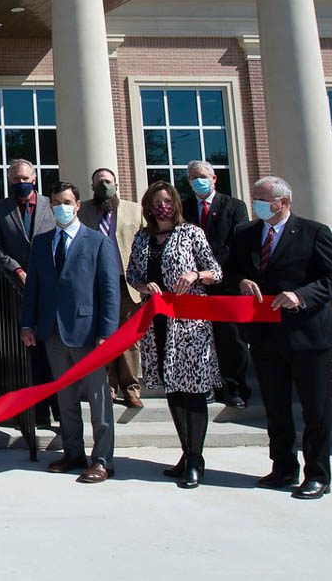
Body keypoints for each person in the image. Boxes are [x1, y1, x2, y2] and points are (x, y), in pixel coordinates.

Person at [228, 176, 332, 500]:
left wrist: (301, 296)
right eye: (255, 198)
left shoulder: (313, 232)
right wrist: (241, 282)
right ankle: (283, 468)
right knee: (276, 408)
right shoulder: (245, 234)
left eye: (263, 199)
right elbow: (231, 269)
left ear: (283, 202)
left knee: (314, 410)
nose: (257, 204)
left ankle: (317, 474)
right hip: (265, 336)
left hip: (308, 336)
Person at [125, 181, 223, 488]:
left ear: (176, 204)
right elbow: (132, 273)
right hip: (158, 324)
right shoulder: (143, 237)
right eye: (156, 202)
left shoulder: (191, 233)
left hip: (190, 325)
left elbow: (216, 272)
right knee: (174, 392)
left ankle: (196, 458)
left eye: (167, 201)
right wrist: (143, 286)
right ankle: (186, 451)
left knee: (192, 391)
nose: (162, 207)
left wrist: (195, 274)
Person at [21, 182, 120, 484]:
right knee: (65, 399)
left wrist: (107, 332)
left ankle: (102, 460)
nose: (61, 207)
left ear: (77, 205)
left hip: (88, 333)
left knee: (98, 400)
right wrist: (28, 324)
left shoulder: (97, 242)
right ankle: (73, 452)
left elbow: (109, 290)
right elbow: (33, 288)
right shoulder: (42, 242)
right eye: (55, 202)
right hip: (52, 332)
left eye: (66, 202)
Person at [0, 159, 56, 416]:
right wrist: (16, 270)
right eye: (16, 179)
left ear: (34, 179)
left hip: (48, 289)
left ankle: (59, 409)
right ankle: (36, 411)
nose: (21, 183)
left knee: (51, 350)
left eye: (25, 178)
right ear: (9, 181)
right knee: (27, 352)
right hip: (16, 289)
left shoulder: (51, 205)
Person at [182, 159, 254, 407]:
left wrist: (222, 273)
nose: (198, 181)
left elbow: (240, 243)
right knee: (199, 338)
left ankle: (234, 388)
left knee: (231, 339)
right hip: (195, 285)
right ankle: (207, 385)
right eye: (193, 178)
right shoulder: (184, 208)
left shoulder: (234, 206)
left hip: (228, 283)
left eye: (202, 176)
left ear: (214, 179)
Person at [78, 167, 145, 408]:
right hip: (95, 282)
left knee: (128, 337)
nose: (103, 186)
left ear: (116, 184)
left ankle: (131, 388)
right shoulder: (83, 211)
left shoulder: (135, 210)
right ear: (92, 187)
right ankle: (107, 386)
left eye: (107, 181)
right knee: (102, 335)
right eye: (98, 182)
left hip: (127, 282)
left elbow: (145, 244)